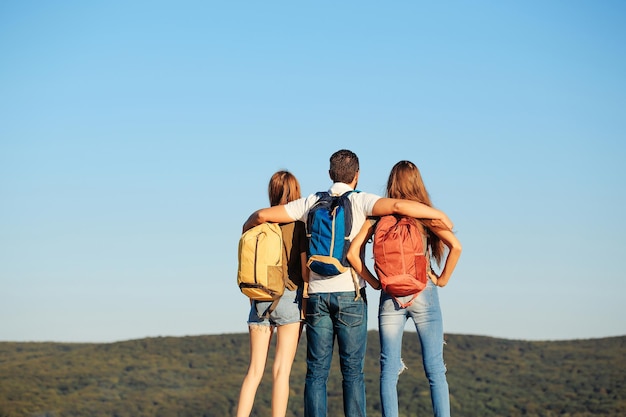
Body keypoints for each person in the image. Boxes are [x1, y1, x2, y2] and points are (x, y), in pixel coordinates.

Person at [242, 150, 454, 417]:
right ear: (357, 175)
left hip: (318, 296)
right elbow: (399, 207)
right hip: (351, 295)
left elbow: (262, 216)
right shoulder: (361, 200)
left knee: (316, 372)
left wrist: (245, 228)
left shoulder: (311, 202)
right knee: (352, 372)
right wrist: (439, 216)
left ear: (330, 174)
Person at [347, 160, 462, 417]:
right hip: (424, 291)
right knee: (434, 369)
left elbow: (354, 254)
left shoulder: (378, 216)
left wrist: (376, 282)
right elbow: (456, 246)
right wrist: (441, 279)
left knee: (388, 369)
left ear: (392, 183)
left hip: (390, 296)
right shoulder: (424, 214)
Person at [236, 170, 309, 417]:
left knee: (254, 371)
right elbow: (303, 269)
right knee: (281, 371)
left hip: (259, 299)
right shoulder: (299, 224)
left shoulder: (258, 223)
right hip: (290, 297)